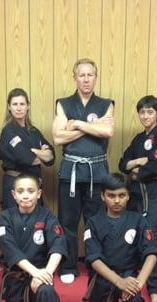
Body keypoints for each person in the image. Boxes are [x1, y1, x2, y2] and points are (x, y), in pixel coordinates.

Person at [81, 173, 157, 302]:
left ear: (128, 196)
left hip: (128, 275)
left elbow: (151, 253)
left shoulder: (137, 220)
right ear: (102, 196)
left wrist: (138, 283)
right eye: (111, 195)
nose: (116, 200)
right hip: (104, 279)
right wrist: (118, 282)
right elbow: (94, 259)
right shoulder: (93, 222)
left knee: (133, 300)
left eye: (122, 195)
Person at [52, 58, 115, 284]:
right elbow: (58, 137)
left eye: (90, 75)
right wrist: (92, 127)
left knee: (96, 221)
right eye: (82, 75)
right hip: (71, 171)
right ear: (75, 77)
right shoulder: (64, 103)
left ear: (96, 77)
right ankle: (68, 265)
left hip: (97, 171)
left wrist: (76, 124)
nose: (86, 79)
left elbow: (107, 131)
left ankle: (94, 262)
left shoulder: (106, 103)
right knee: (67, 221)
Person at [0, 174, 66, 302]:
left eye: (30, 191)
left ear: (39, 193)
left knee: (48, 291)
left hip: (41, 275)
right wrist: (35, 272)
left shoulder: (47, 216)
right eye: (20, 191)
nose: (25, 196)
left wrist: (47, 273)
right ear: (13, 195)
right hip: (18, 279)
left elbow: (58, 245)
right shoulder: (6, 217)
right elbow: (8, 247)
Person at [118, 96, 157, 302]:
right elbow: (122, 163)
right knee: (131, 234)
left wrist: (139, 168)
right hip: (135, 192)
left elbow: (155, 167)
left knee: (152, 237)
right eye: (142, 112)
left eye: (150, 112)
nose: (145, 116)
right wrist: (138, 161)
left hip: (154, 192)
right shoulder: (138, 139)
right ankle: (128, 280)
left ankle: (156, 287)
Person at [0, 88, 54, 210]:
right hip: (15, 184)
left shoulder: (34, 131)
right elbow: (27, 158)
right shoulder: (8, 131)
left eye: (22, 104)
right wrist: (41, 153)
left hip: (33, 184)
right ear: (9, 107)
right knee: (16, 223)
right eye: (15, 104)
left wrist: (34, 152)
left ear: (28, 106)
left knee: (35, 224)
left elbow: (51, 157)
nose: (19, 108)